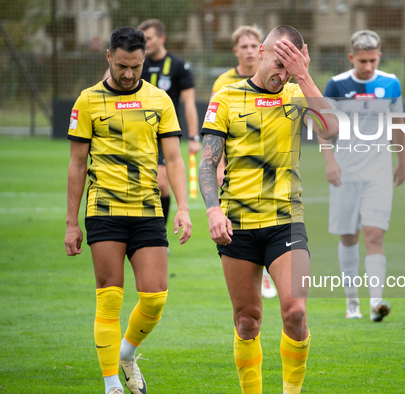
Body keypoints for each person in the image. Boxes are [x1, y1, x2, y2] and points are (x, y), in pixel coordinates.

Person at [198, 25, 337, 394]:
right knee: (248, 321)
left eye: (289, 67)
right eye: (278, 63)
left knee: (295, 311)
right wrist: (213, 210)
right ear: (261, 51)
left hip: (285, 221)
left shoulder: (296, 94)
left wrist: (304, 77)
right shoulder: (226, 97)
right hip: (237, 224)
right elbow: (207, 163)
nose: (282, 74)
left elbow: (332, 130)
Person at [65, 27, 192, 394]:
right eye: (122, 65)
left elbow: (172, 158)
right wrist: (72, 223)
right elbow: (76, 165)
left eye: (136, 66)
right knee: (109, 295)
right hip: (103, 208)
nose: (128, 74)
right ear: (108, 57)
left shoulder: (159, 100)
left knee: (155, 297)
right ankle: (112, 386)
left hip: (148, 208)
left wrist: (182, 208)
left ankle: (126, 352)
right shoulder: (87, 101)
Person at [317, 30, 405, 321]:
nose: (368, 66)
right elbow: (323, 126)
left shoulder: (391, 83)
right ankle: (352, 302)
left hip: (378, 172)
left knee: (375, 235)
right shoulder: (337, 84)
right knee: (348, 237)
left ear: (379, 55)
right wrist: (329, 160)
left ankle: (376, 303)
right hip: (345, 171)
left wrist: (401, 160)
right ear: (351, 57)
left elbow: (398, 124)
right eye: (362, 61)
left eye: (373, 60)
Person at [104, 19, 200, 229]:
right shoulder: (134, 62)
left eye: (149, 39)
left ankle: (160, 231)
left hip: (163, 135)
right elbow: (106, 85)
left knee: (162, 185)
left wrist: (194, 137)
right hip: (132, 134)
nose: (145, 42)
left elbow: (189, 104)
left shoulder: (178, 66)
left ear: (162, 38)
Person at [210, 25, 277, 299]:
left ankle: (269, 269)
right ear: (236, 51)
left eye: (254, 46)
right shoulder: (224, 84)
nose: (249, 51)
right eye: (244, 47)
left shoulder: (278, 82)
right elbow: (216, 131)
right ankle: (254, 271)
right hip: (235, 167)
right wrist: (219, 166)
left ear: (261, 50)